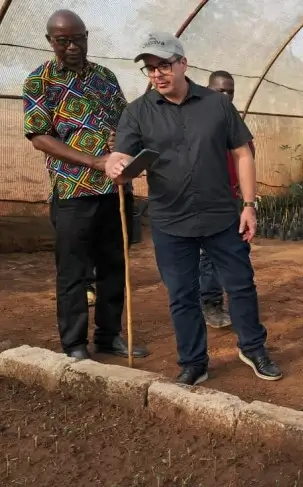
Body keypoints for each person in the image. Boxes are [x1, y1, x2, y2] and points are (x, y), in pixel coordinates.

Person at [105, 32, 281, 385]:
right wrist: (115, 164)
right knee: (182, 295)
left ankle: (253, 347)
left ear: (183, 63)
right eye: (150, 69)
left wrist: (249, 205)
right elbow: (122, 153)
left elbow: (242, 153)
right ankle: (194, 361)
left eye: (164, 66)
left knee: (241, 285)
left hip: (221, 215)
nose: (157, 74)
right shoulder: (138, 113)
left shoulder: (216, 105)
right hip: (170, 219)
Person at [25, 10, 147, 360]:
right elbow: (40, 137)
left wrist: (120, 139)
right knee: (74, 273)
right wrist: (95, 160)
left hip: (113, 190)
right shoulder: (40, 81)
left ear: (87, 36)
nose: (73, 46)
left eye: (78, 38)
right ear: (51, 41)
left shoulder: (105, 77)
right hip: (73, 194)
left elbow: (125, 121)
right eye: (63, 40)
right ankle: (74, 344)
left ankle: (108, 337)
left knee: (114, 268)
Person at [200, 70, 256, 329]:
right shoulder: (200, 122)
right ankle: (211, 305)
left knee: (237, 252)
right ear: (207, 89)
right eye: (219, 90)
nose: (225, 95)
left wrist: (248, 202)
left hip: (233, 199)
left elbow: (246, 159)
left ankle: (237, 303)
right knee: (209, 256)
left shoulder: (235, 122)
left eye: (230, 90)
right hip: (209, 201)